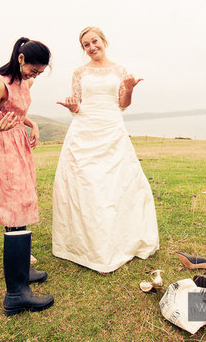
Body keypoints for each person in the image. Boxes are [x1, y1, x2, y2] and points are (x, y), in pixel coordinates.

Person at [52, 26, 159, 273]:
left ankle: (118, 241)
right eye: (86, 45)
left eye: (94, 41)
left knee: (116, 184)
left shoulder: (120, 70)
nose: (91, 47)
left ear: (104, 41)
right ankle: (85, 245)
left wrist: (130, 88)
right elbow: (78, 104)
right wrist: (72, 107)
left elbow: (122, 104)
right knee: (87, 184)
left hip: (112, 128)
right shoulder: (79, 72)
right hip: (84, 130)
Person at [0, 37, 54, 314]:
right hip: (1, 148)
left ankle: (23, 272)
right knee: (15, 208)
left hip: (19, 145)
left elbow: (18, 113)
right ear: (21, 59)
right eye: (35, 69)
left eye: (41, 72)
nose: (36, 75)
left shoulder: (25, 82)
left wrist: (32, 124)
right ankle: (16, 294)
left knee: (21, 208)